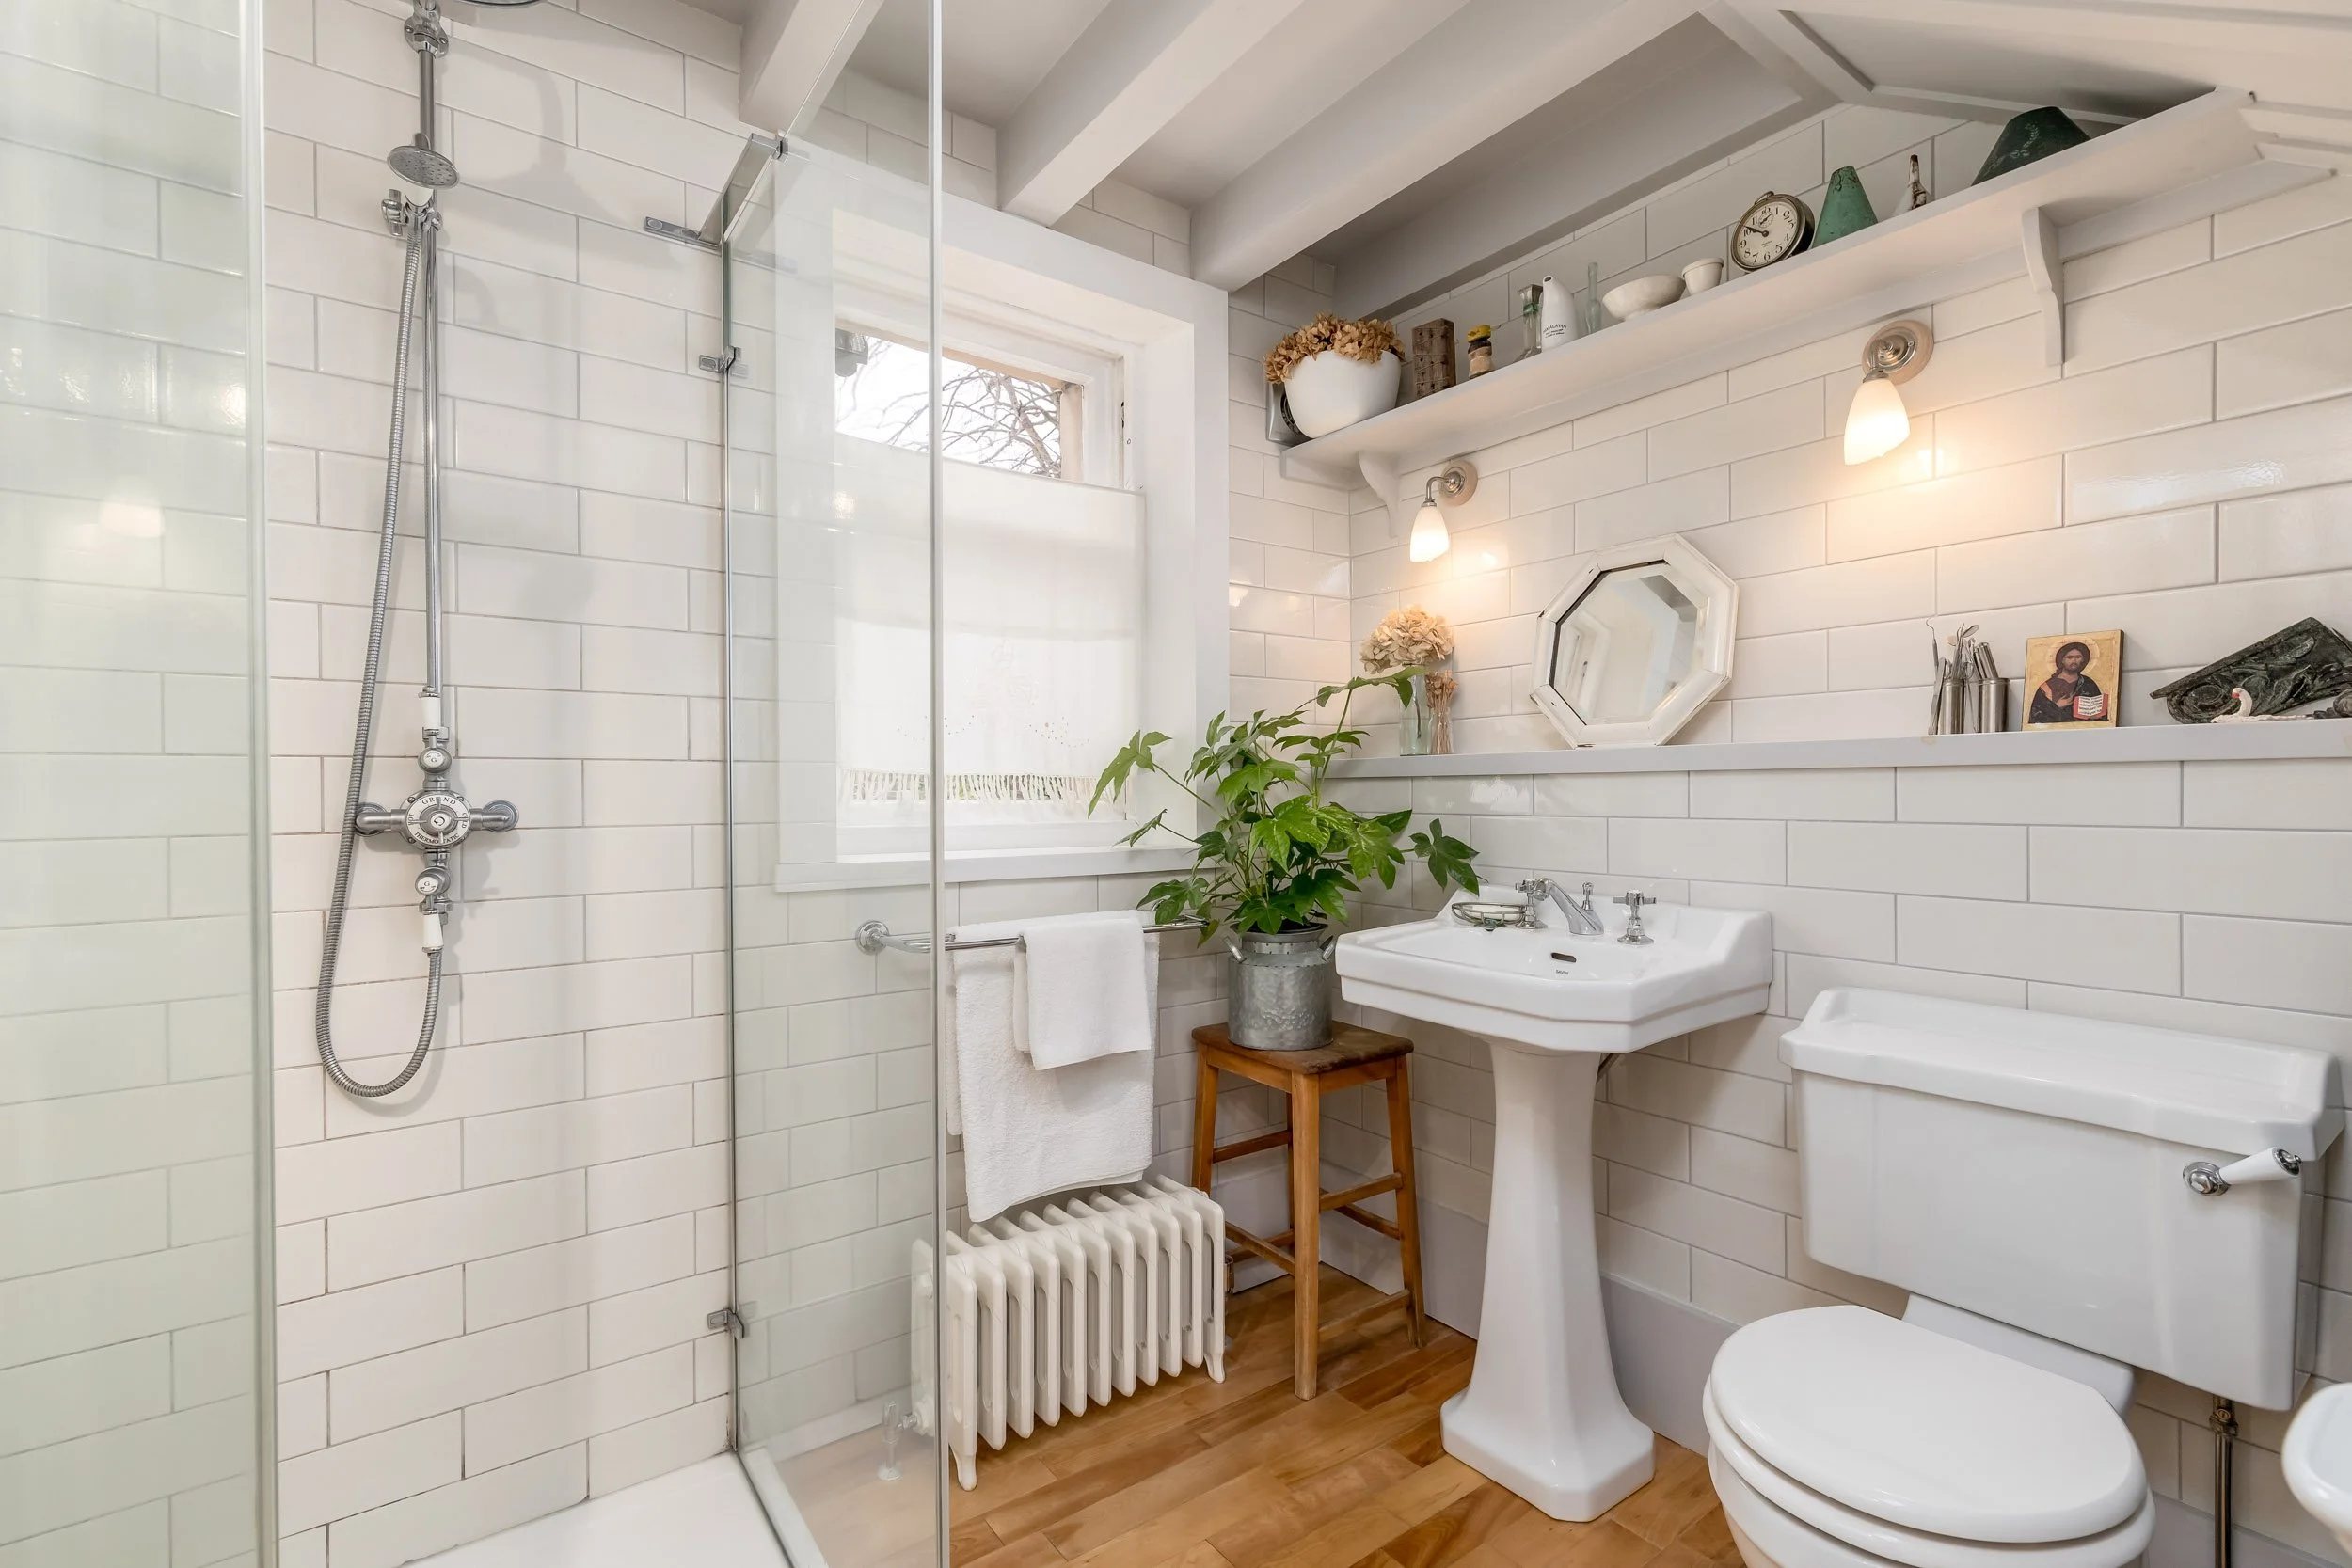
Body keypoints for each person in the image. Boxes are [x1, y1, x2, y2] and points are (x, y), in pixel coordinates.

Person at [2030, 641, 2105, 724]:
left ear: (2083, 659)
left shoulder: (2088, 684)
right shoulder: (2047, 687)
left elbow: (2100, 715)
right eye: (2069, 657)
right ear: (2062, 660)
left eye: (2078, 657)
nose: (2074, 661)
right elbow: (2036, 718)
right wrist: (2057, 707)